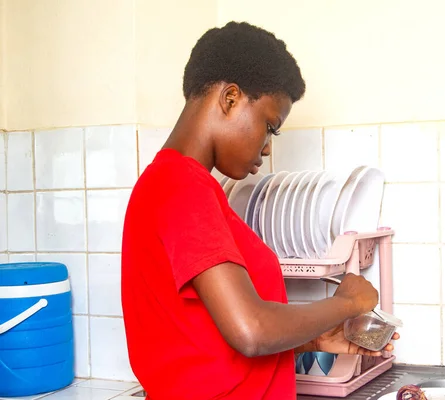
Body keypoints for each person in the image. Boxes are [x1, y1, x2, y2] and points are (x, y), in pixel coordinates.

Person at [121, 21, 399, 400]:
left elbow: (206, 348)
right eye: (270, 126)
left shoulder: (177, 185)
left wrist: (313, 338)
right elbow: (250, 330)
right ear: (230, 98)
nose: (267, 148)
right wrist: (345, 303)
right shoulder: (183, 186)